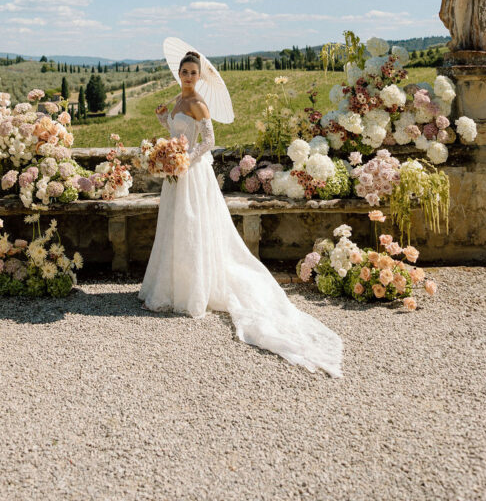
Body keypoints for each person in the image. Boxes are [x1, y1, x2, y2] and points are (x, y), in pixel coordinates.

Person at [138, 44, 343, 377]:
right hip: (175, 175)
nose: (189, 77)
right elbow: (179, 133)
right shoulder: (178, 100)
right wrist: (164, 122)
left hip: (192, 175)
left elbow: (208, 142)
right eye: (185, 72)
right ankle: (171, 286)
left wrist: (184, 162)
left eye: (194, 73)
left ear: (200, 77)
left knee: (193, 227)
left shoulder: (199, 103)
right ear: (178, 73)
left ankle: (193, 291)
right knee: (175, 228)